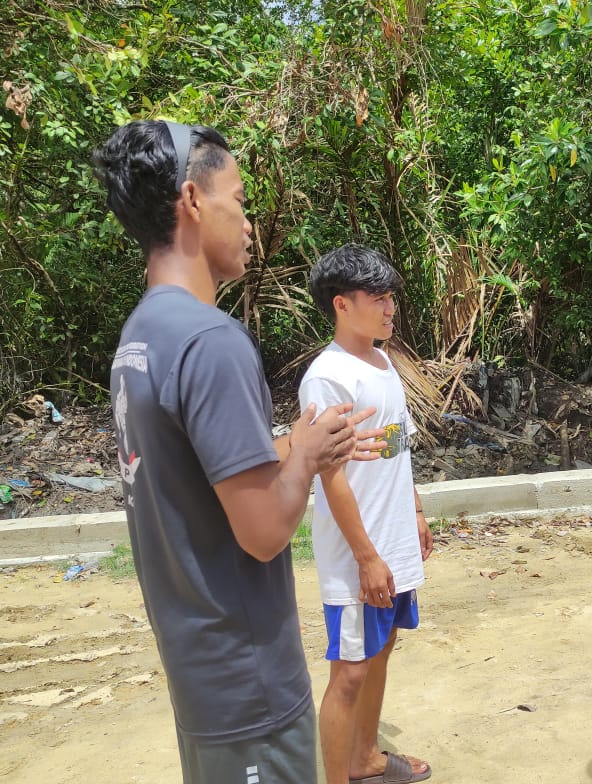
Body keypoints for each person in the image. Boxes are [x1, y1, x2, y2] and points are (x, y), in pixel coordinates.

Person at [94, 120, 384, 784]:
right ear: (192, 202)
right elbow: (263, 532)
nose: (248, 221)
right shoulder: (212, 340)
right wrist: (306, 458)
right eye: (239, 198)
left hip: (201, 674)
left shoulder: (142, 334)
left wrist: (296, 443)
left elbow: (194, 474)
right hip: (248, 683)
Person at [298, 244, 434, 784]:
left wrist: (417, 512)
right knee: (350, 670)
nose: (389, 309)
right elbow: (329, 477)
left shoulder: (382, 362)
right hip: (358, 555)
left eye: (391, 298)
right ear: (341, 305)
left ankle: (366, 758)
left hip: (392, 541)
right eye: (377, 299)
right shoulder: (328, 378)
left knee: (382, 648)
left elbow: (400, 447)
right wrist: (366, 556)